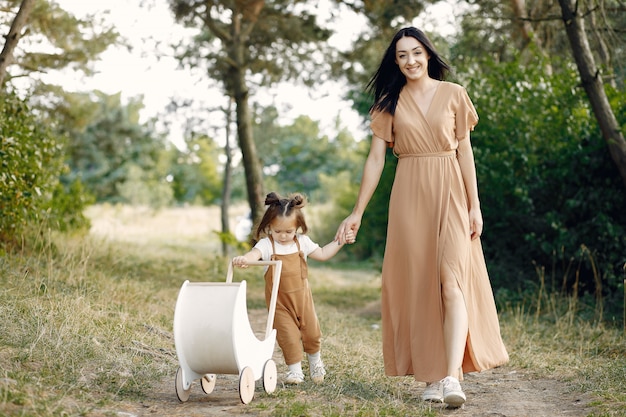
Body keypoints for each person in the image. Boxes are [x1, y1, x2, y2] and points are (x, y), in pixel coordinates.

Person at [335, 27, 509, 408]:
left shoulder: (454, 94)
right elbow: (376, 160)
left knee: (451, 281)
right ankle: (430, 375)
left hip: (451, 192)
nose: (410, 60)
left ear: (428, 54)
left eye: (416, 52)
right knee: (420, 284)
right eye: (402, 55)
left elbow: (465, 153)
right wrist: (356, 212)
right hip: (409, 195)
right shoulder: (388, 103)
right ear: (395, 61)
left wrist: (474, 205)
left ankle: (450, 377)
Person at [233, 191, 354, 385]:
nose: (283, 236)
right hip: (279, 304)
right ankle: (295, 371)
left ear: (298, 228)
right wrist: (244, 260)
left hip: (303, 300)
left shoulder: (302, 243)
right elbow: (253, 255)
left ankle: (316, 363)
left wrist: (341, 241)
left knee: (312, 333)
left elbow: (323, 253)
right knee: (287, 336)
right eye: (277, 231)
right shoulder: (266, 245)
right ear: (269, 227)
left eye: (288, 232)